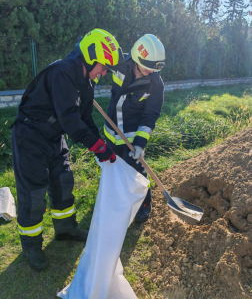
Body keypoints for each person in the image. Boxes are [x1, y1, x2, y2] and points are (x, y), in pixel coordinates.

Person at [11, 28, 124, 271]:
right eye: (104, 66)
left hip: (53, 136)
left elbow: (86, 119)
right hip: (30, 136)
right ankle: (31, 246)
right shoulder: (63, 72)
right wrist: (97, 147)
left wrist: (102, 145)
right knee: (34, 194)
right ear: (91, 56)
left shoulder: (86, 81)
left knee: (63, 181)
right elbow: (71, 122)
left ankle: (65, 229)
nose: (104, 72)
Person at [104, 34, 165, 223]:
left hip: (132, 135)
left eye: (155, 68)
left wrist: (140, 144)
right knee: (112, 166)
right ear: (138, 58)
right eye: (148, 67)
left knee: (136, 171)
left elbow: (150, 116)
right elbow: (99, 61)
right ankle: (116, 200)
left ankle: (143, 207)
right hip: (112, 129)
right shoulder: (120, 64)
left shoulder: (156, 84)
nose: (151, 72)